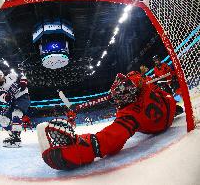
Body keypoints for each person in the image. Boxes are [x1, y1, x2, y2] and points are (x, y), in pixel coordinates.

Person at [36, 71, 177, 170]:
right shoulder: (139, 82)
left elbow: (107, 140)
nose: (116, 101)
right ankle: (177, 109)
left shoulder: (131, 115)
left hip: (162, 123)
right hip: (169, 104)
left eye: (118, 98)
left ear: (128, 97)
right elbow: (133, 77)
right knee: (165, 92)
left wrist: (78, 149)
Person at [0, 70, 30, 148]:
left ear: (2, 76)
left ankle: (17, 138)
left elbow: (22, 76)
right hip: (13, 102)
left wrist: (23, 82)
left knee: (16, 113)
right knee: (2, 118)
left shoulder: (11, 75)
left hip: (23, 97)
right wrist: (8, 95)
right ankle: (13, 134)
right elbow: (3, 98)